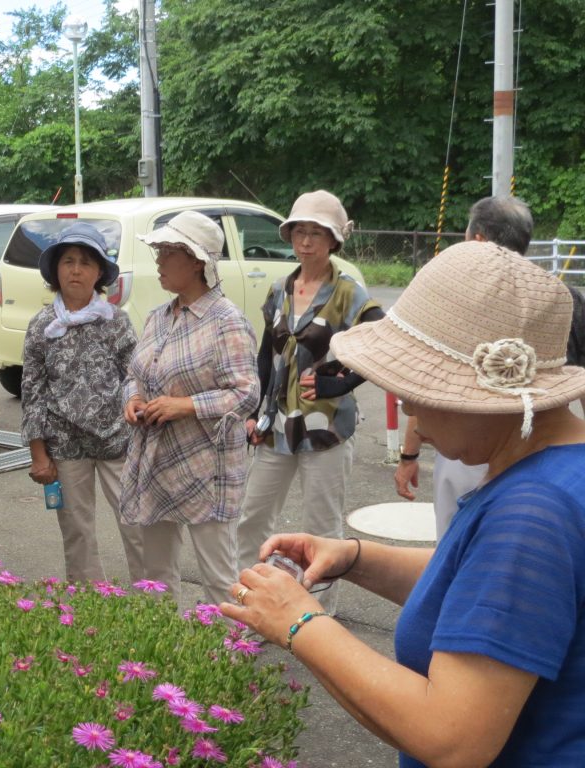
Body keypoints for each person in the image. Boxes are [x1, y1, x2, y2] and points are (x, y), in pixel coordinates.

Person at [223, 240, 585, 767]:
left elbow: (452, 739)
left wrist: (299, 622)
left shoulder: (530, 512)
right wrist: (355, 559)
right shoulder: (558, 472)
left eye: (419, 386)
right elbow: (480, 593)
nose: (408, 404)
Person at [394, 195, 585, 537]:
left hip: (461, 440)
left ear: (477, 240)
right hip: (546, 449)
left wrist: (409, 455)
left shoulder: (460, 300)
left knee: (456, 546)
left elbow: (424, 382)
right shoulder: (563, 300)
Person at [235, 190, 383, 611]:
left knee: (322, 528)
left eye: (316, 233)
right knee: (252, 518)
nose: (306, 242)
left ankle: (319, 614)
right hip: (277, 425)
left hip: (327, 430)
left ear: (334, 240)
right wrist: (254, 410)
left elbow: (381, 341)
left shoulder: (347, 291)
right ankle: (256, 602)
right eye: (299, 231)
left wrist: (345, 383)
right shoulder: (280, 288)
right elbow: (266, 354)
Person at [120, 210, 259, 607]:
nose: (159, 262)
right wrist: (131, 399)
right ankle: (162, 651)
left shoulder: (226, 322)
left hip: (206, 464)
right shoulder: (157, 318)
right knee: (157, 573)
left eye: (167, 253)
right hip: (158, 460)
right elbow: (135, 374)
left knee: (219, 576)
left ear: (197, 261)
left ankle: (228, 656)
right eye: (159, 252)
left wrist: (186, 405)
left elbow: (246, 393)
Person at [21, 223, 145, 583]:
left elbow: (133, 377)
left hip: (118, 441)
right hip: (65, 444)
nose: (76, 270)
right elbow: (32, 391)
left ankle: (152, 606)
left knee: (136, 525)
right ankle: (89, 607)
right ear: (56, 270)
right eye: (68, 261)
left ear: (99, 274)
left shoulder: (116, 321)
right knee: (77, 532)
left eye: (86, 263)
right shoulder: (42, 325)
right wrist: (38, 453)